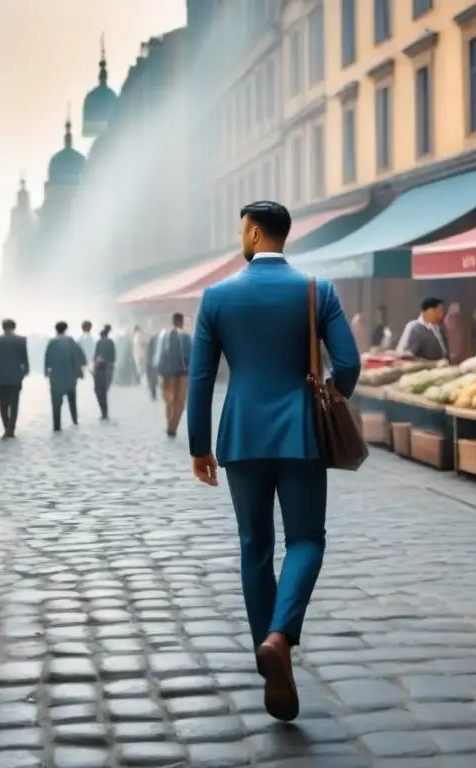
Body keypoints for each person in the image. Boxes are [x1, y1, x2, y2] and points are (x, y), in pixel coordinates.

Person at [186, 201, 360, 723]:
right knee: (306, 539)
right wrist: (327, 400)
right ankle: (281, 638)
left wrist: (200, 446)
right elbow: (349, 363)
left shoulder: (216, 296)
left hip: (241, 434)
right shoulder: (317, 290)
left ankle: (267, 647)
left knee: (253, 544)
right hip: (302, 434)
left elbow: (199, 380)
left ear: (255, 232)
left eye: (242, 229)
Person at [0, 319, 29, 438]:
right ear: (14, 327)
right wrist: (24, 373)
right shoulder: (21, 340)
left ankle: (6, 427)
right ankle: (11, 428)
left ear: (3, 328)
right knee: (14, 403)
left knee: (2, 403)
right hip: (15, 377)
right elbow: (24, 359)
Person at [155, 312, 193, 437]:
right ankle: (173, 427)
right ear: (181, 321)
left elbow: (158, 354)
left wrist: (158, 370)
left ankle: (169, 424)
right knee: (180, 401)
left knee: (169, 400)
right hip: (183, 372)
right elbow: (190, 355)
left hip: (166, 372)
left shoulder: (163, 335)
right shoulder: (185, 336)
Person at [44, 321, 86, 432]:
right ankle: (74, 420)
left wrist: (47, 373)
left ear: (56, 329)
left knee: (56, 402)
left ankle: (57, 426)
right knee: (72, 399)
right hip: (70, 375)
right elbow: (81, 357)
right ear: (66, 329)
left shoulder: (52, 342)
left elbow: (47, 360)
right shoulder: (71, 341)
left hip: (56, 376)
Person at [93, 324, 117, 419]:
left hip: (100, 369)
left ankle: (104, 412)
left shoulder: (99, 343)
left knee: (99, 391)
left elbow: (96, 356)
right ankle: (105, 412)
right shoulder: (111, 342)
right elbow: (114, 357)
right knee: (104, 390)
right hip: (109, 369)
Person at [145, 330, 160, 400]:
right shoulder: (157, 340)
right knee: (154, 379)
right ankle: (153, 393)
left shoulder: (152, 341)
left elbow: (148, 352)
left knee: (153, 379)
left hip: (153, 362)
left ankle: (153, 393)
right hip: (154, 362)